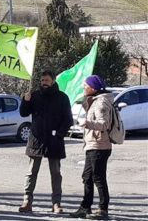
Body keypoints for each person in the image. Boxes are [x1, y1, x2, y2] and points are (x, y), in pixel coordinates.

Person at [18, 70, 73, 214]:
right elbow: (23, 113)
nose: (44, 83)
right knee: (31, 172)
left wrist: (59, 134)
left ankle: (56, 203)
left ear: (53, 81)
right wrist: (26, 100)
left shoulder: (62, 98)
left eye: (46, 80)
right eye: (42, 81)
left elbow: (68, 120)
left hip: (54, 142)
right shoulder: (35, 96)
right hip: (36, 140)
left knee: (55, 173)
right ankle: (27, 201)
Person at [70, 75, 113, 220]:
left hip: (100, 146)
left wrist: (87, 123)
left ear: (93, 88)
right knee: (87, 176)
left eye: (85, 86)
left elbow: (104, 124)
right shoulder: (94, 101)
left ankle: (103, 209)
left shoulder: (101, 103)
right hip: (92, 145)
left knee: (98, 177)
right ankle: (85, 207)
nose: (83, 88)